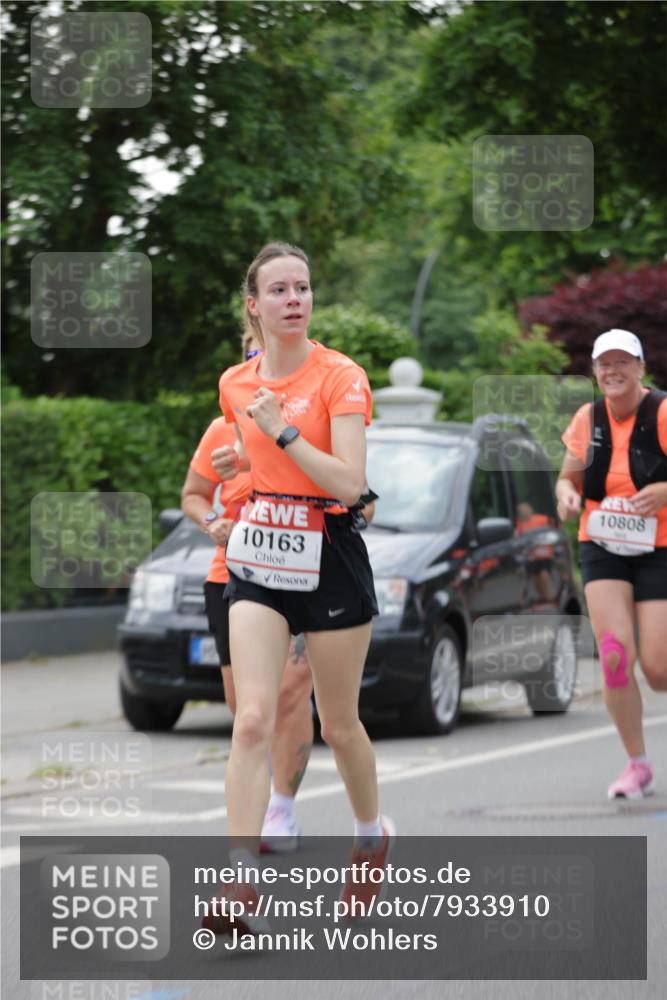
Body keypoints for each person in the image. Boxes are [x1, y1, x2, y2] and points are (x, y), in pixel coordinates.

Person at [203, 241, 392, 936]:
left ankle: (369, 836)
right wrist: (238, 463)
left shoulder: (340, 376)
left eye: (302, 288)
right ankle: (239, 881)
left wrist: (280, 432)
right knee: (252, 717)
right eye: (278, 290)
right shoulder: (234, 383)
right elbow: (249, 463)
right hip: (259, 553)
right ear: (253, 305)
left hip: (330, 551)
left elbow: (350, 484)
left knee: (337, 725)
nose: (293, 300)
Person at [181, 333, 314, 853]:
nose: (257, 360)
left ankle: (283, 805)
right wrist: (212, 520)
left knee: (289, 691)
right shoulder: (222, 425)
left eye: (265, 352)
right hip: (231, 575)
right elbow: (193, 496)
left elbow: (352, 489)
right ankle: (252, 811)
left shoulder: (305, 422)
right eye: (248, 351)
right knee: (247, 710)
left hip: (297, 572)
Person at [555, 328, 667, 799]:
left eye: (623, 362)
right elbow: (568, 477)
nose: (613, 371)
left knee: (660, 670)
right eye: (605, 363)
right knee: (617, 659)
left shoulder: (662, 412)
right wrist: (565, 492)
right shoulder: (588, 417)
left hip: (659, 546)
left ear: (640, 368)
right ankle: (637, 765)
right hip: (601, 543)